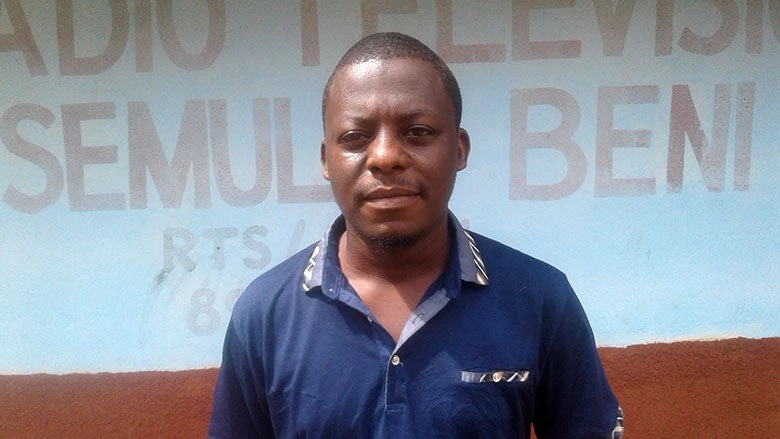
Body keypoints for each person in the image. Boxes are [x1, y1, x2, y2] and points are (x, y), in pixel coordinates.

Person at [208, 32, 623, 438]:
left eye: (418, 131)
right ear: (326, 160)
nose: (385, 156)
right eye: (355, 137)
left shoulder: (540, 298)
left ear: (459, 149)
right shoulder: (264, 314)